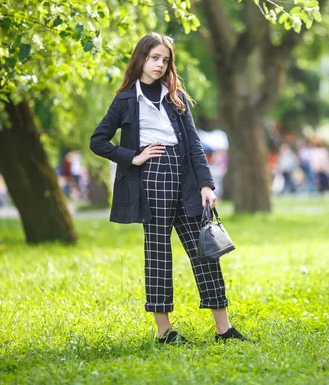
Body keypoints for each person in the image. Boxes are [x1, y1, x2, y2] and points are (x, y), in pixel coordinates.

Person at [90, 33, 248, 345]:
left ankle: (224, 330)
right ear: (141, 59)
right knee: (159, 255)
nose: (160, 64)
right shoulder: (125, 100)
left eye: (165, 59)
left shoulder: (175, 97)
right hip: (152, 178)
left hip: (186, 177)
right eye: (154, 58)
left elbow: (194, 145)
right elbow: (98, 140)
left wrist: (206, 184)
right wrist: (133, 158)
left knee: (205, 252)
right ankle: (165, 332)